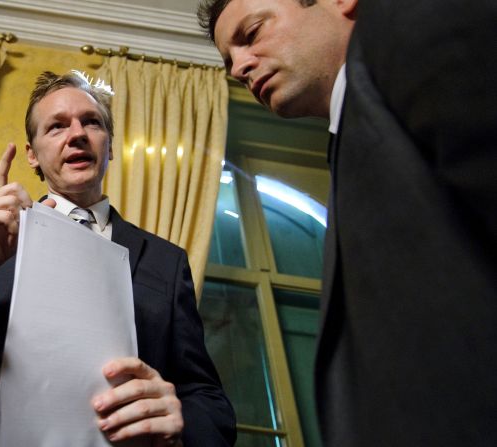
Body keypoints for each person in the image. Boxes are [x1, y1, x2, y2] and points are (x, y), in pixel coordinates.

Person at [199, 0, 497, 445]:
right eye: (229, 61)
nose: (239, 67)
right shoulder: (352, 137)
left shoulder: (405, 26)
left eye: (253, 33)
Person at [0, 71, 236, 446]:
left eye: (92, 122)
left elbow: (206, 396)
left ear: (110, 147)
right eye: (56, 126)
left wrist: (179, 424)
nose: (77, 134)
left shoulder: (166, 261)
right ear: (32, 156)